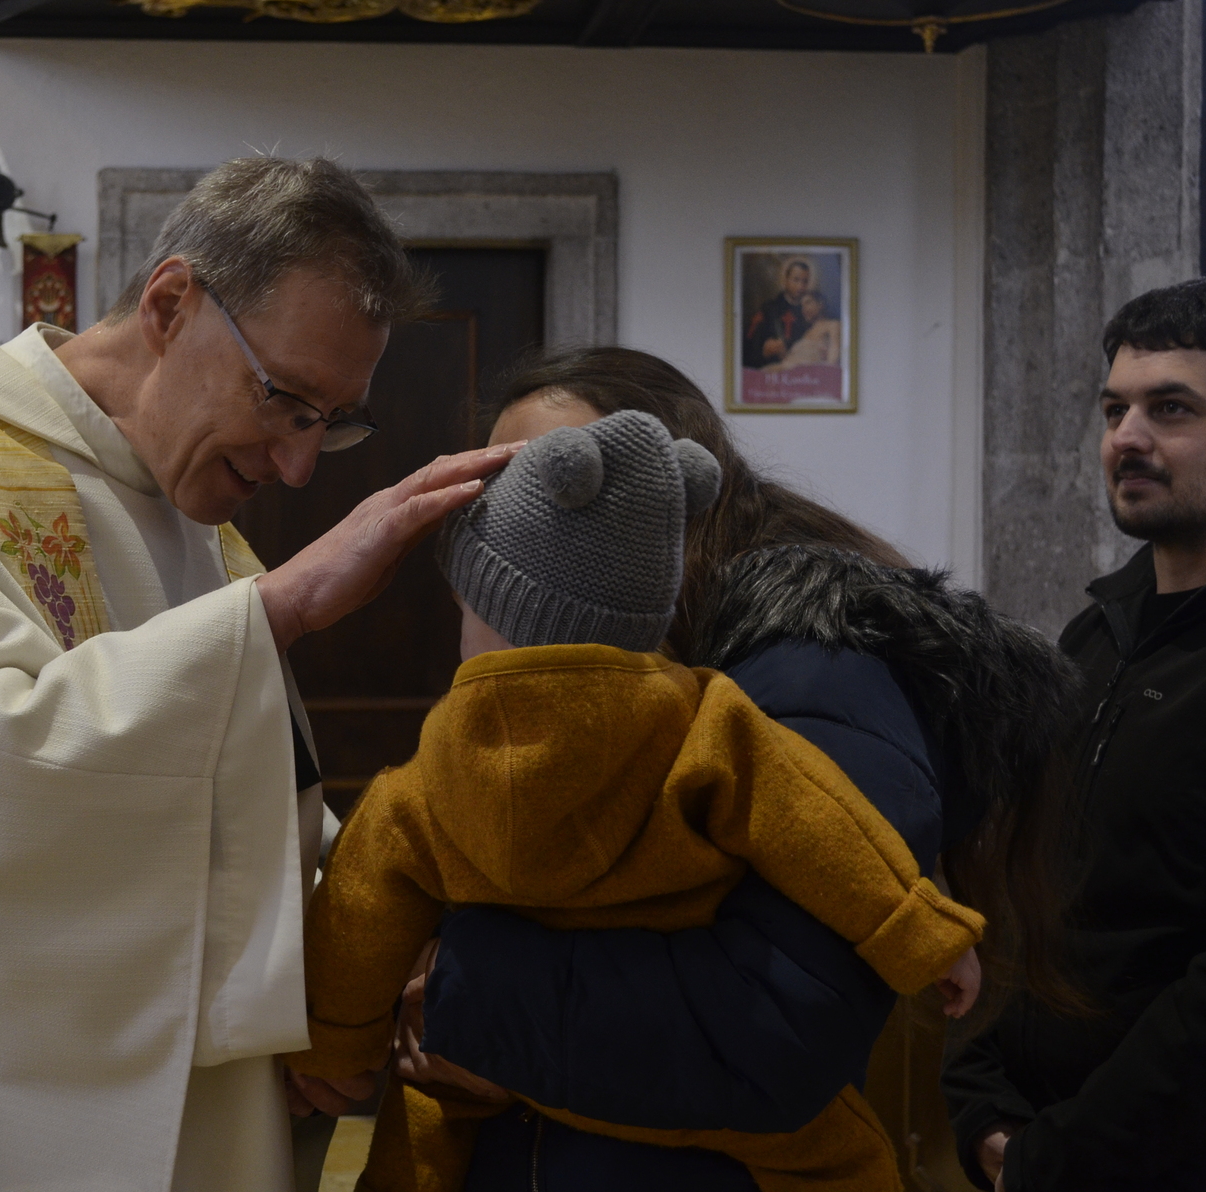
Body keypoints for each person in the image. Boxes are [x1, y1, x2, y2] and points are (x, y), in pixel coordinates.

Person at [0, 157, 522, 1192]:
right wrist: (280, 609)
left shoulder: (199, 532)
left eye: (331, 423)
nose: (298, 467)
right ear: (169, 305)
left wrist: (357, 962)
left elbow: (252, 807)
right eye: (287, 400)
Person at [386, 348, 1084, 1191]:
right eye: (503, 493)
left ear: (677, 493)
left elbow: (777, 1031)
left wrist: (463, 990)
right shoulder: (602, 679)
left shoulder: (815, 671)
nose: (528, 521)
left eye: (556, 478)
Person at [942, 274, 1206, 1191]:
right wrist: (980, 1098)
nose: (1127, 438)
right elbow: (1028, 887)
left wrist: (1060, 1157)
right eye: (1116, 409)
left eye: (1172, 408)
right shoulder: (1097, 632)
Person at [743, 259, 815, 368]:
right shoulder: (769, 309)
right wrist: (764, 352)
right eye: (796, 280)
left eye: (804, 281)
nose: (800, 286)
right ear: (786, 280)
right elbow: (747, 349)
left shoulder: (812, 311)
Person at [764, 290, 841, 370]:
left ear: (820, 304)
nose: (804, 309)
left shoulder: (832, 325)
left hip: (808, 374)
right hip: (787, 370)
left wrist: (826, 371)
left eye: (808, 302)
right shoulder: (806, 332)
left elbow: (834, 356)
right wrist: (781, 351)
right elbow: (795, 358)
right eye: (802, 306)